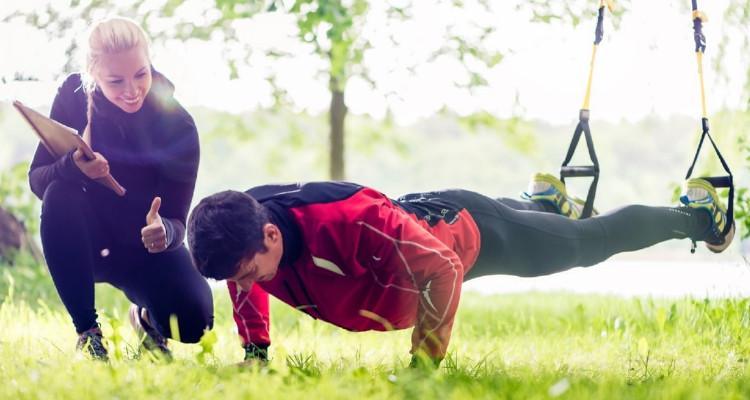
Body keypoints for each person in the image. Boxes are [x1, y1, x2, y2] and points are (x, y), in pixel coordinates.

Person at [186, 173, 733, 368]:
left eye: (247, 273)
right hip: (422, 217)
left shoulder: (349, 222)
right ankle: (543, 199)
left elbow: (443, 268)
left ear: (271, 236)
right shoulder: (247, 230)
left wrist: (423, 368)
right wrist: (256, 355)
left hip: (469, 235)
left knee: (585, 243)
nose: (247, 287)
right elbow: (243, 282)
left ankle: (696, 216)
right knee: (536, 223)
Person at [28, 17, 213, 360]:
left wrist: (165, 233)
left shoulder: (177, 123)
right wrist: (73, 167)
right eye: (115, 81)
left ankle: (147, 321)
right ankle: (89, 333)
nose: (131, 90)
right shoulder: (72, 97)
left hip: (146, 249)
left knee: (195, 321)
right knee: (59, 192)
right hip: (87, 242)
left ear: (150, 63)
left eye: (141, 74)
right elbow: (38, 178)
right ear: (93, 74)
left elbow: (177, 219)